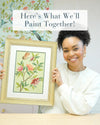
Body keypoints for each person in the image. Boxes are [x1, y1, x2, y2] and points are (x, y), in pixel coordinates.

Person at [40, 31, 100, 115]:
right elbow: (44, 106)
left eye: (75, 49)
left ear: (84, 49)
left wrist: (61, 84)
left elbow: (82, 108)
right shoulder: (54, 70)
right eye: (66, 50)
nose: (71, 54)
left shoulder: (94, 78)